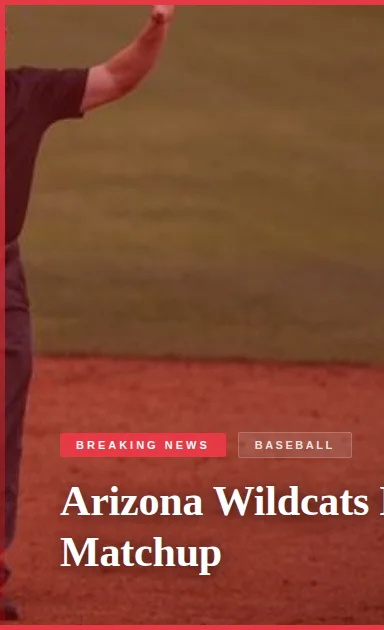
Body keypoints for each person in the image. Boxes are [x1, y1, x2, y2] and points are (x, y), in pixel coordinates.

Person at [4, 6, 175, 620]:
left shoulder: (27, 90)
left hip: (3, 278)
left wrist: (156, 28)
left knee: (3, 422)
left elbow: (117, 77)